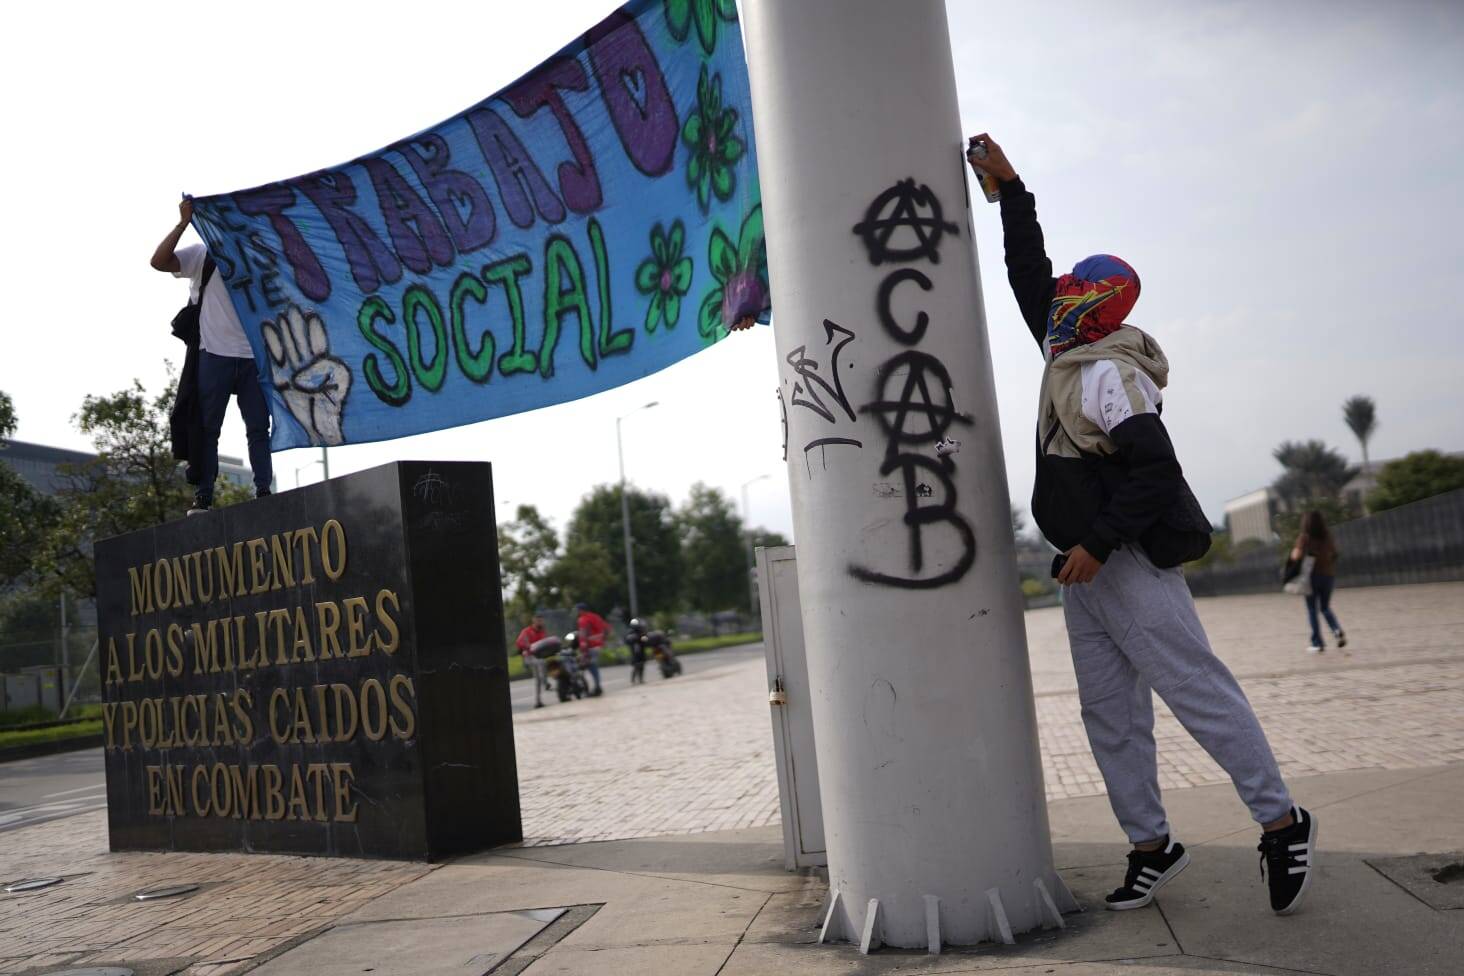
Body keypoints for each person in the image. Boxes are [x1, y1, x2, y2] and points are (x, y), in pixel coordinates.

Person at [967, 133, 1317, 916]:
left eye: (1071, 291)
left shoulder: (1106, 372)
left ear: (1096, 303)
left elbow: (1156, 468)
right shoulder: (1067, 354)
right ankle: (1153, 845)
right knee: (1110, 716)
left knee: (1195, 689)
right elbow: (1027, 273)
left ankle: (1282, 821)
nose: (1055, 297)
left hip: (1120, 562)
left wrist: (1095, 543)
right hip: (1084, 570)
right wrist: (1011, 191)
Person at [152, 199, 272, 514]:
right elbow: (159, 261)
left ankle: (264, 490)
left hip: (251, 357)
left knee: (258, 426)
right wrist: (182, 224)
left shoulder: (257, 258)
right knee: (208, 428)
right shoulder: (203, 255)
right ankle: (205, 495)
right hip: (214, 353)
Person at [1292, 511, 1346, 653]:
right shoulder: (1327, 536)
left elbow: (1296, 556)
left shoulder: (1304, 538)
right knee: (1325, 607)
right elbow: (1334, 554)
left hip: (1310, 578)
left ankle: (1317, 643)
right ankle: (1336, 630)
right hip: (1328, 576)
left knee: (1312, 610)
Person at [515, 614, 550, 708]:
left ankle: (538, 701)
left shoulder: (542, 632)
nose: (540, 622)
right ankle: (545, 682)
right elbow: (519, 643)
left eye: (541, 621)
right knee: (541, 663)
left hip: (539, 657)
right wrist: (528, 647)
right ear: (533, 621)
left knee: (537, 679)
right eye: (538, 620)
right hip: (529, 657)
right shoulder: (526, 631)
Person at [574, 602, 608, 696]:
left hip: (590, 646)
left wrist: (583, 647)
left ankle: (596, 687)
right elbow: (606, 629)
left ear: (581, 610)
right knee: (593, 666)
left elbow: (583, 634)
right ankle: (597, 686)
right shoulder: (596, 616)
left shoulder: (583, 619)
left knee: (590, 667)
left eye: (577, 610)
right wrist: (602, 640)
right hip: (598, 645)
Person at [625, 618, 649, 684]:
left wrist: (644, 638)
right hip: (635, 651)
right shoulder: (630, 632)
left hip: (641, 649)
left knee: (642, 664)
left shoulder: (641, 631)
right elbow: (627, 640)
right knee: (636, 665)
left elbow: (645, 638)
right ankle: (633, 679)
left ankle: (641, 679)